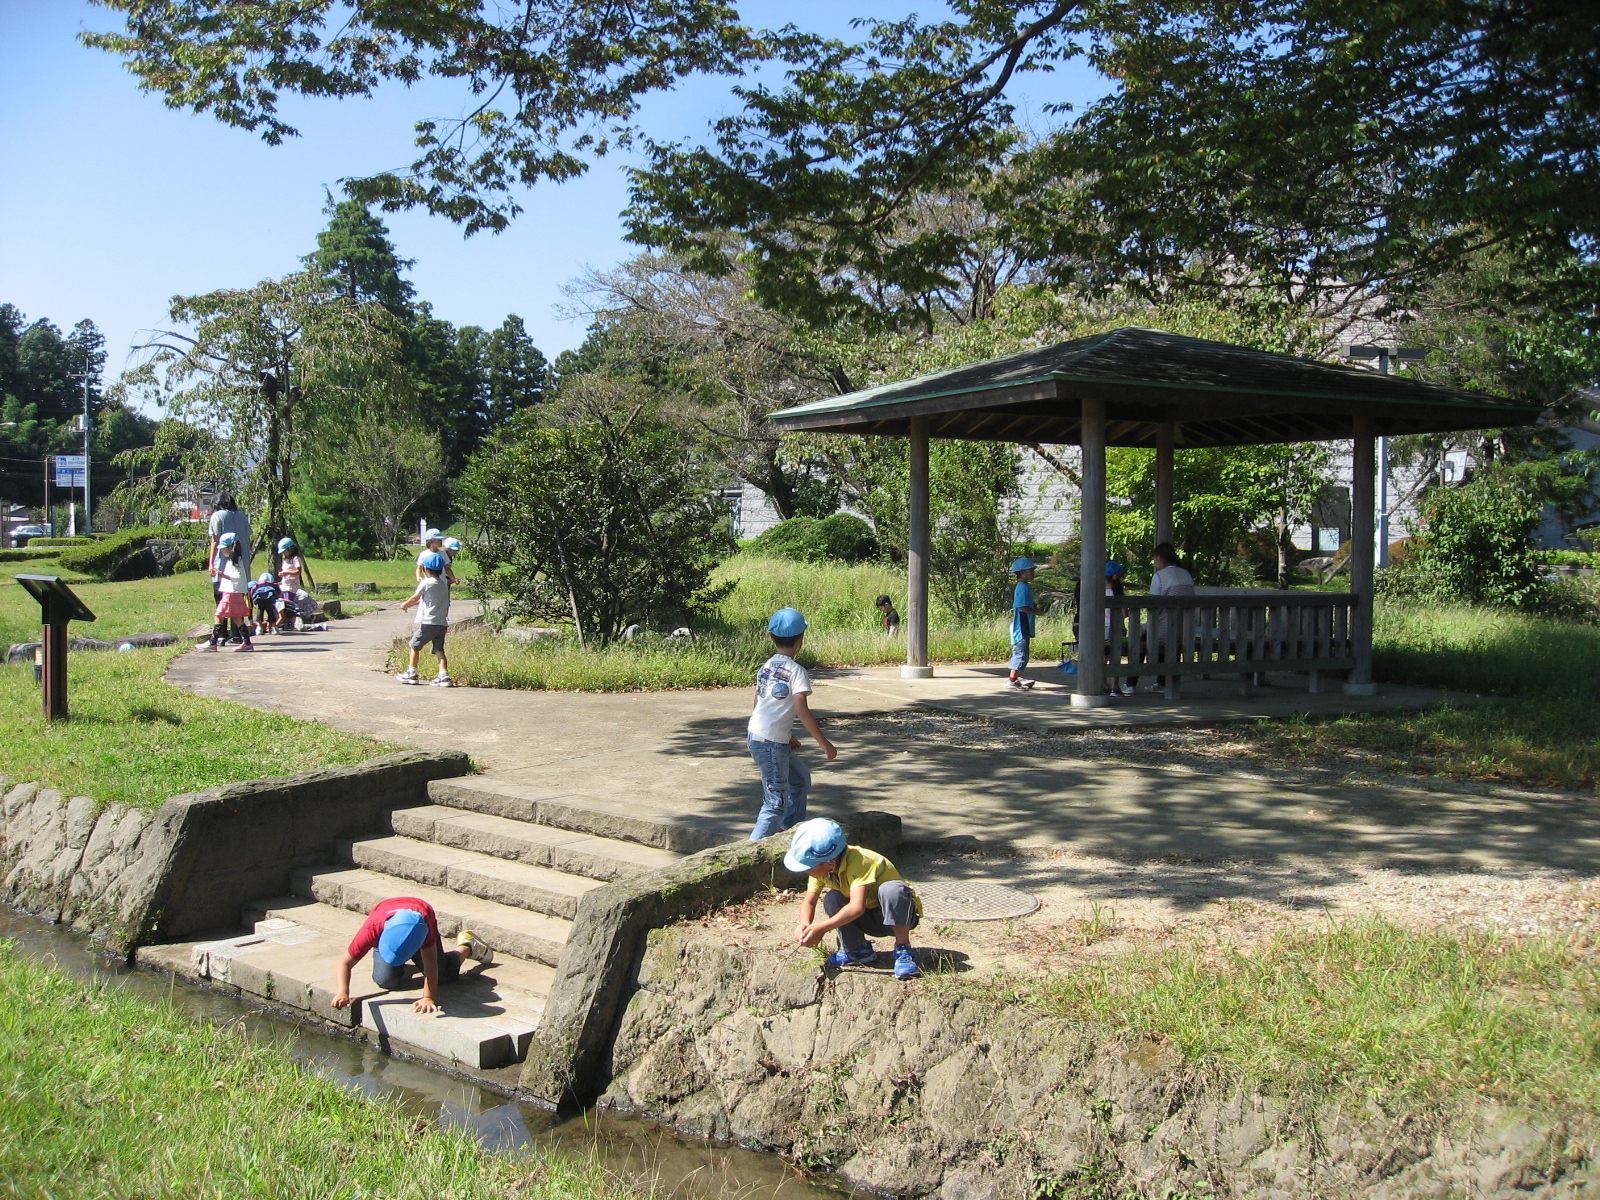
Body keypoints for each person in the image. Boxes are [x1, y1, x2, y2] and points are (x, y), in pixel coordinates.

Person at [787, 818, 922, 980]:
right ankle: (856, 950)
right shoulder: (823, 870)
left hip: (898, 917)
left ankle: (903, 950)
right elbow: (809, 901)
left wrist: (822, 928)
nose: (806, 872)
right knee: (833, 898)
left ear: (829, 864)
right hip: (867, 919)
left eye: (808, 868)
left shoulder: (861, 861)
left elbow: (857, 907)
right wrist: (804, 925)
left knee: (892, 890)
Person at [747, 607, 836, 841]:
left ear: (771, 637)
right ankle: (750, 852)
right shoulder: (797, 671)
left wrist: (785, 736)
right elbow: (801, 709)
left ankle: (787, 832)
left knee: (799, 780)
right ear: (800, 641)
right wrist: (825, 744)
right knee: (775, 802)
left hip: (759, 734)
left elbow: (759, 701)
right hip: (770, 743)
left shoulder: (767, 666)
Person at [330, 896, 490, 1015]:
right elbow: (345, 963)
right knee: (385, 980)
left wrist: (429, 997)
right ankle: (404, 964)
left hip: (419, 923)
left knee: (442, 975)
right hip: (389, 924)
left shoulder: (424, 929)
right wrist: (342, 992)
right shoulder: (373, 928)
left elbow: (430, 964)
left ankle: (468, 947)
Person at [1144, 543, 1195, 692]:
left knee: (1142, 635)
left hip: (1164, 631)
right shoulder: (1186, 574)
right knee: (1168, 638)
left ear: (1159, 558)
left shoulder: (1159, 576)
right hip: (1185, 630)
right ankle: (1163, 682)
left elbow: (1153, 605)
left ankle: (1130, 683)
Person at [398, 551, 453, 685]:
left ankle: (412, 673)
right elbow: (440, 602)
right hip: (442, 623)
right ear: (441, 570)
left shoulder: (426, 583)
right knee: (439, 650)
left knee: (414, 645)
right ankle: (443, 676)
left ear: (425, 569)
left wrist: (405, 604)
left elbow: (415, 597)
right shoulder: (443, 585)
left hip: (428, 623)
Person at [205, 532, 254, 652]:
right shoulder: (234, 560)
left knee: (219, 615)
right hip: (233, 592)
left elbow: (237, 577)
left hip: (231, 593)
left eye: (223, 548)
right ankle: (247, 643)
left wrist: (222, 575)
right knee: (237, 618)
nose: (222, 551)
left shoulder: (235, 561)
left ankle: (212, 643)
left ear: (230, 547)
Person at [207, 493, 251, 601]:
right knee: (237, 603)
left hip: (222, 564)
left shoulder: (217, 516)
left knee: (222, 601)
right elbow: (247, 537)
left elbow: (215, 541)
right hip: (241, 566)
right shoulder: (242, 516)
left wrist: (211, 564)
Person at [1007, 557, 1039, 691]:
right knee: (1021, 653)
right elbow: (1022, 607)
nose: (1033, 571)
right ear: (1023, 572)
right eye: (1030, 569)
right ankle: (1012, 680)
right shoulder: (1022, 587)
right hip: (1021, 626)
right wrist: (1036, 611)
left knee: (1022, 652)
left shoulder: (1024, 586)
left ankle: (1017, 677)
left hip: (1024, 625)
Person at [248, 571, 281, 637]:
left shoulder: (257, 585)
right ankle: (274, 628)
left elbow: (253, 592)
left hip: (259, 596)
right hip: (270, 596)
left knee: (260, 609)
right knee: (270, 610)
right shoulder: (273, 584)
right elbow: (278, 592)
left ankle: (259, 628)